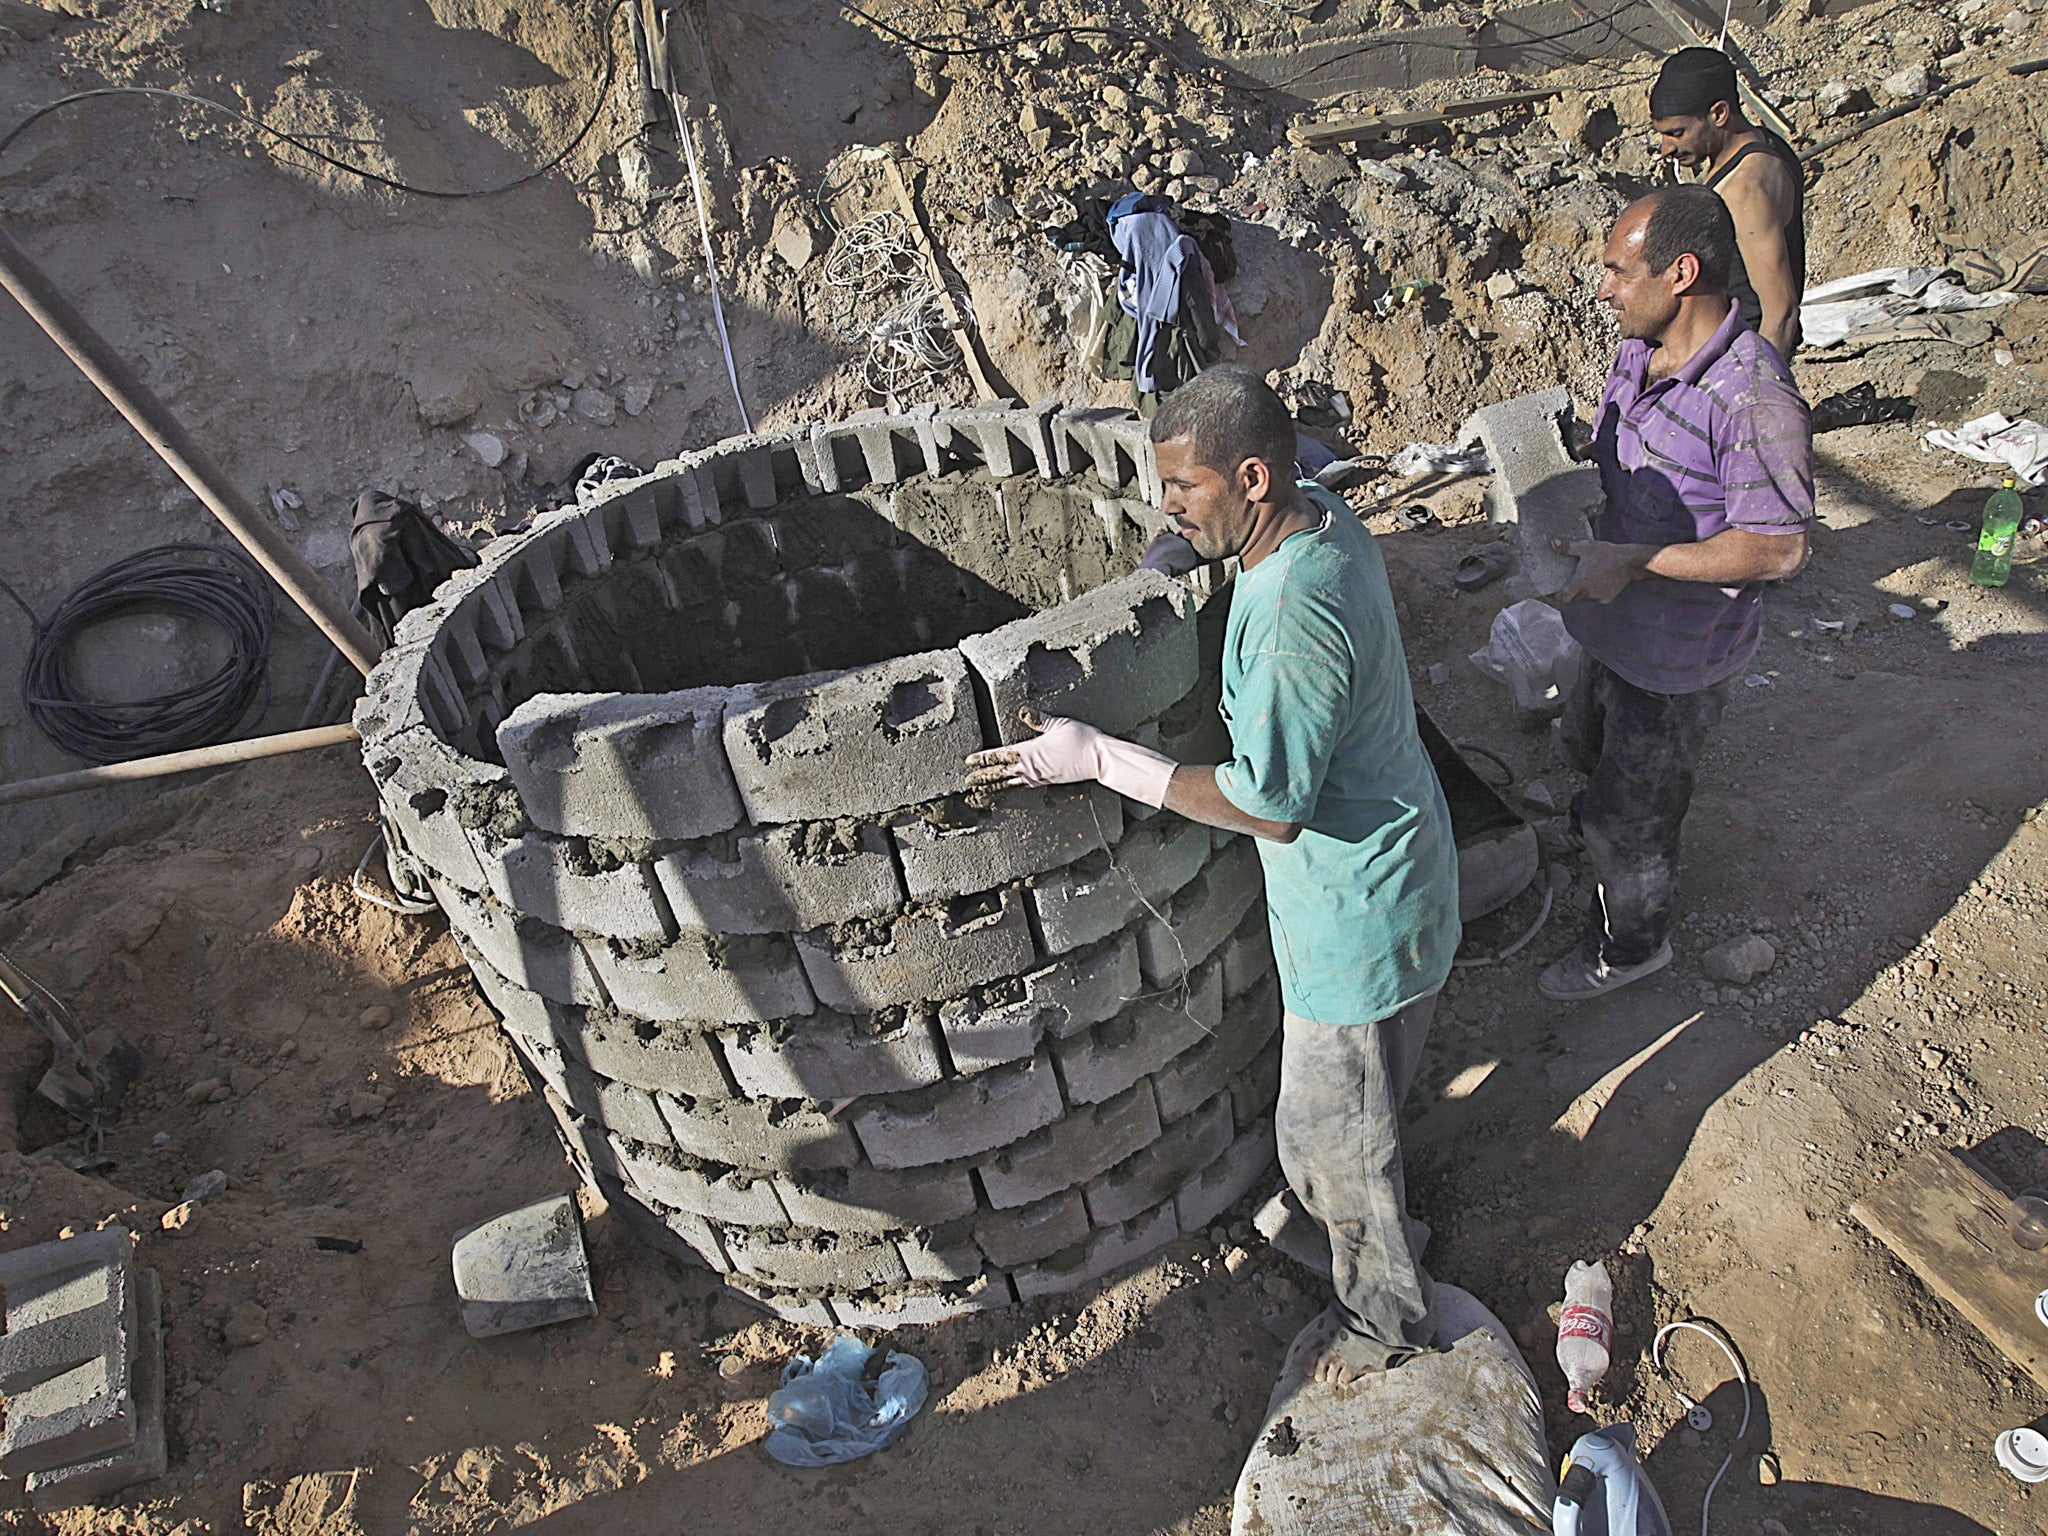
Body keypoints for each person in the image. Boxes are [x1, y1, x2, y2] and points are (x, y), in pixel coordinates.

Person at [964, 365, 1461, 1387]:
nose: (1166, 504)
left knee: (1340, 1143)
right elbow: (1226, 549)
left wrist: (1103, 758)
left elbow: (1268, 804)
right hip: (1390, 862)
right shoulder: (1314, 512)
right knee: (1341, 1119)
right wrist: (1168, 562)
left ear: (1250, 476)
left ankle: (1387, 1331)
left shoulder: (1291, 621)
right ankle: (1327, 1230)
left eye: (1183, 490)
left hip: (1354, 913)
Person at [1540, 187, 1812, 1003]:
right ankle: (1608, 836)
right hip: (1615, 628)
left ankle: (1632, 947)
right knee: (1589, 755)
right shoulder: (1640, 349)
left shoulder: (1753, 400)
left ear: (1681, 272)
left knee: (1633, 824)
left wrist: (1637, 560)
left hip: (1678, 660)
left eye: (1618, 271)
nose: (1604, 289)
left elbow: (1779, 547)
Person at [1650, 46, 1806, 358]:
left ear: (1718, 114)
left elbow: (1780, 311)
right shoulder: (1763, 143)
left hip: (1745, 355)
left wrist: (1760, 390)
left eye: (1677, 133)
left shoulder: (1745, 187)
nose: (1666, 148)